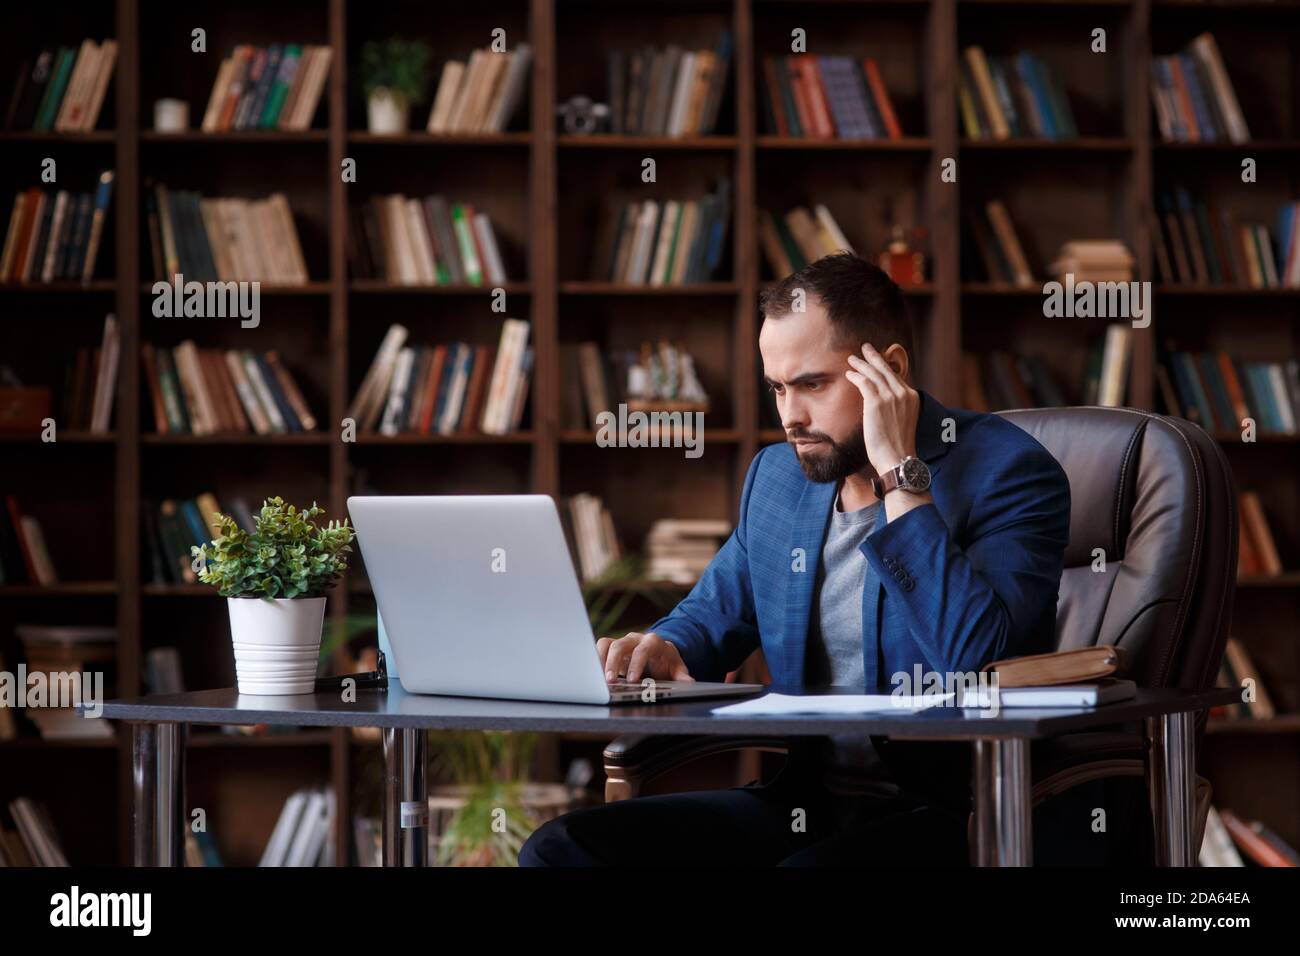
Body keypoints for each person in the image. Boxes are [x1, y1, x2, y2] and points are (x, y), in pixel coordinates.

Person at [519, 251, 1116, 866]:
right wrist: (662, 646)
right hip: (811, 805)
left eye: (813, 384)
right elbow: (711, 615)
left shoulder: (1009, 471)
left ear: (889, 371)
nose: (790, 416)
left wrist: (900, 477)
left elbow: (977, 661)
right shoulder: (778, 480)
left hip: (959, 811)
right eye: (777, 387)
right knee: (562, 848)